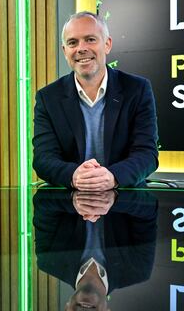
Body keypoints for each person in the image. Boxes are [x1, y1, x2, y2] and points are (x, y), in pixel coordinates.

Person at [33, 11, 159, 189]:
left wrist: (113, 176)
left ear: (107, 44)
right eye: (72, 42)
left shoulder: (137, 89)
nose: (81, 48)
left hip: (124, 203)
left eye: (90, 39)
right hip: (68, 206)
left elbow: (147, 154)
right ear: (64, 51)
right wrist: (74, 175)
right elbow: (43, 159)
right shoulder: (48, 97)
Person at [33, 189, 158, 311]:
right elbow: (148, 206)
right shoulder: (137, 269)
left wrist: (78, 199)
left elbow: (42, 200)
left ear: (66, 309)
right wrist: (111, 197)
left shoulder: (48, 260)